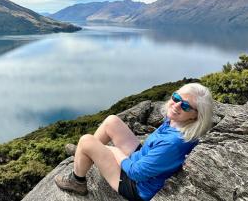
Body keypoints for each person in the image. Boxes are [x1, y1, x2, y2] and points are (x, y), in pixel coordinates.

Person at [54, 83, 214, 201]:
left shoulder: (174, 142)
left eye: (185, 106)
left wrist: (116, 153)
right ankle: (86, 156)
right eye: (176, 98)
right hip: (141, 158)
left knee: (86, 140)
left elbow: (137, 173)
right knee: (111, 121)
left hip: (135, 186)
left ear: (195, 116)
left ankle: (77, 181)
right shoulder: (176, 122)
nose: (177, 105)